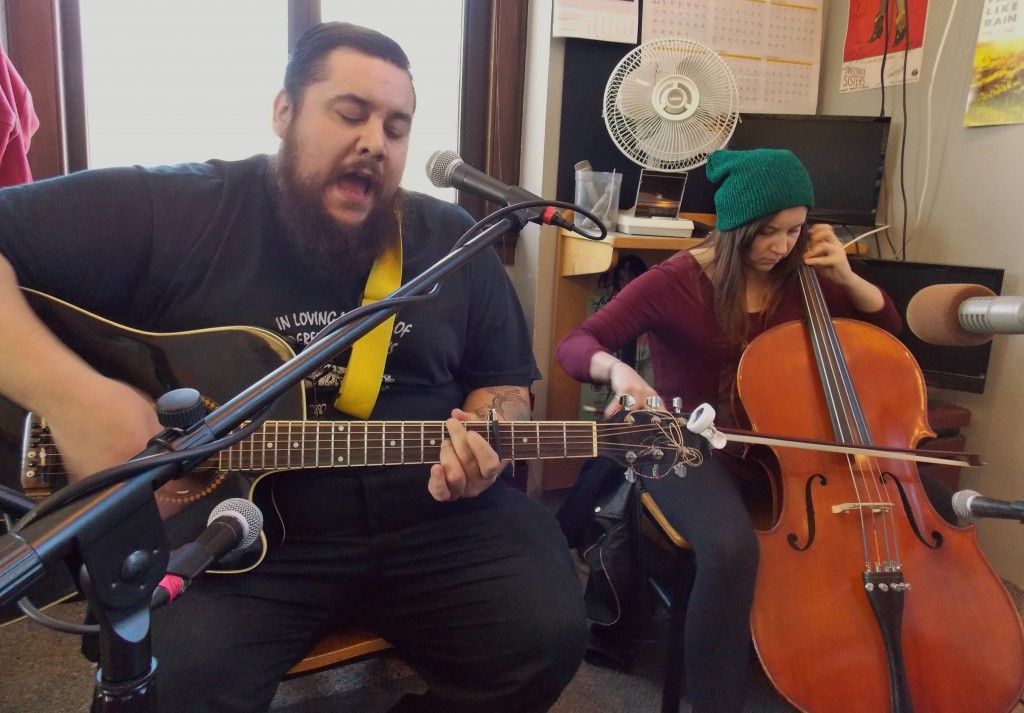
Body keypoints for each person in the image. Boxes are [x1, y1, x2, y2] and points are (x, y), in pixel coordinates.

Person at [0, 22, 585, 713]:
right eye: (350, 113)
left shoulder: (456, 240)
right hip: (234, 530)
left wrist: (491, 433)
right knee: (170, 681)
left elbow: (504, 384)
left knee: (544, 636)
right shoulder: (185, 208)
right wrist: (72, 398)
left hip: (433, 517)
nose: (375, 142)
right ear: (284, 112)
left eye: (397, 128)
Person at [556, 148, 907, 712]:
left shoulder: (803, 276)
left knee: (899, 510)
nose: (783, 246)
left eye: (795, 230)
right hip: (683, 442)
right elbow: (576, 344)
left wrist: (846, 275)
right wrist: (619, 372)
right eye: (769, 232)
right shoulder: (676, 280)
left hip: (779, 445)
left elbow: (885, 334)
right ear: (737, 225)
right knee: (731, 549)